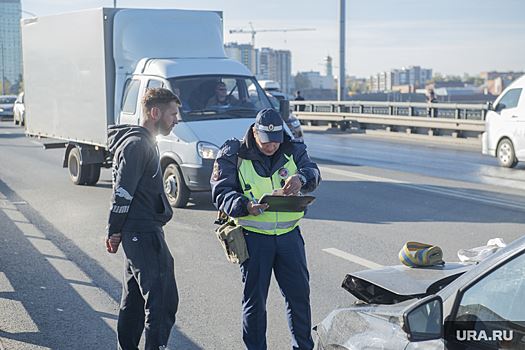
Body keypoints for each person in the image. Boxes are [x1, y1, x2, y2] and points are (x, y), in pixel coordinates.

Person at [211, 108, 321, 350]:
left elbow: (313, 172)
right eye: (266, 141)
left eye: (276, 141)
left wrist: (301, 179)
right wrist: (245, 205)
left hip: (289, 238)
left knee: (299, 299)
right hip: (253, 238)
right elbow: (220, 192)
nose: (271, 146)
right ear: (254, 132)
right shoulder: (233, 152)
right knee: (255, 302)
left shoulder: (293, 148)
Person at [105, 88, 181, 350]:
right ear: (155, 112)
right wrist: (113, 230)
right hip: (143, 233)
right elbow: (123, 193)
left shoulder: (142, 142)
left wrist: (117, 230)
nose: (176, 119)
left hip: (139, 231)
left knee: (135, 303)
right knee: (162, 301)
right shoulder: (138, 145)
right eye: (173, 113)